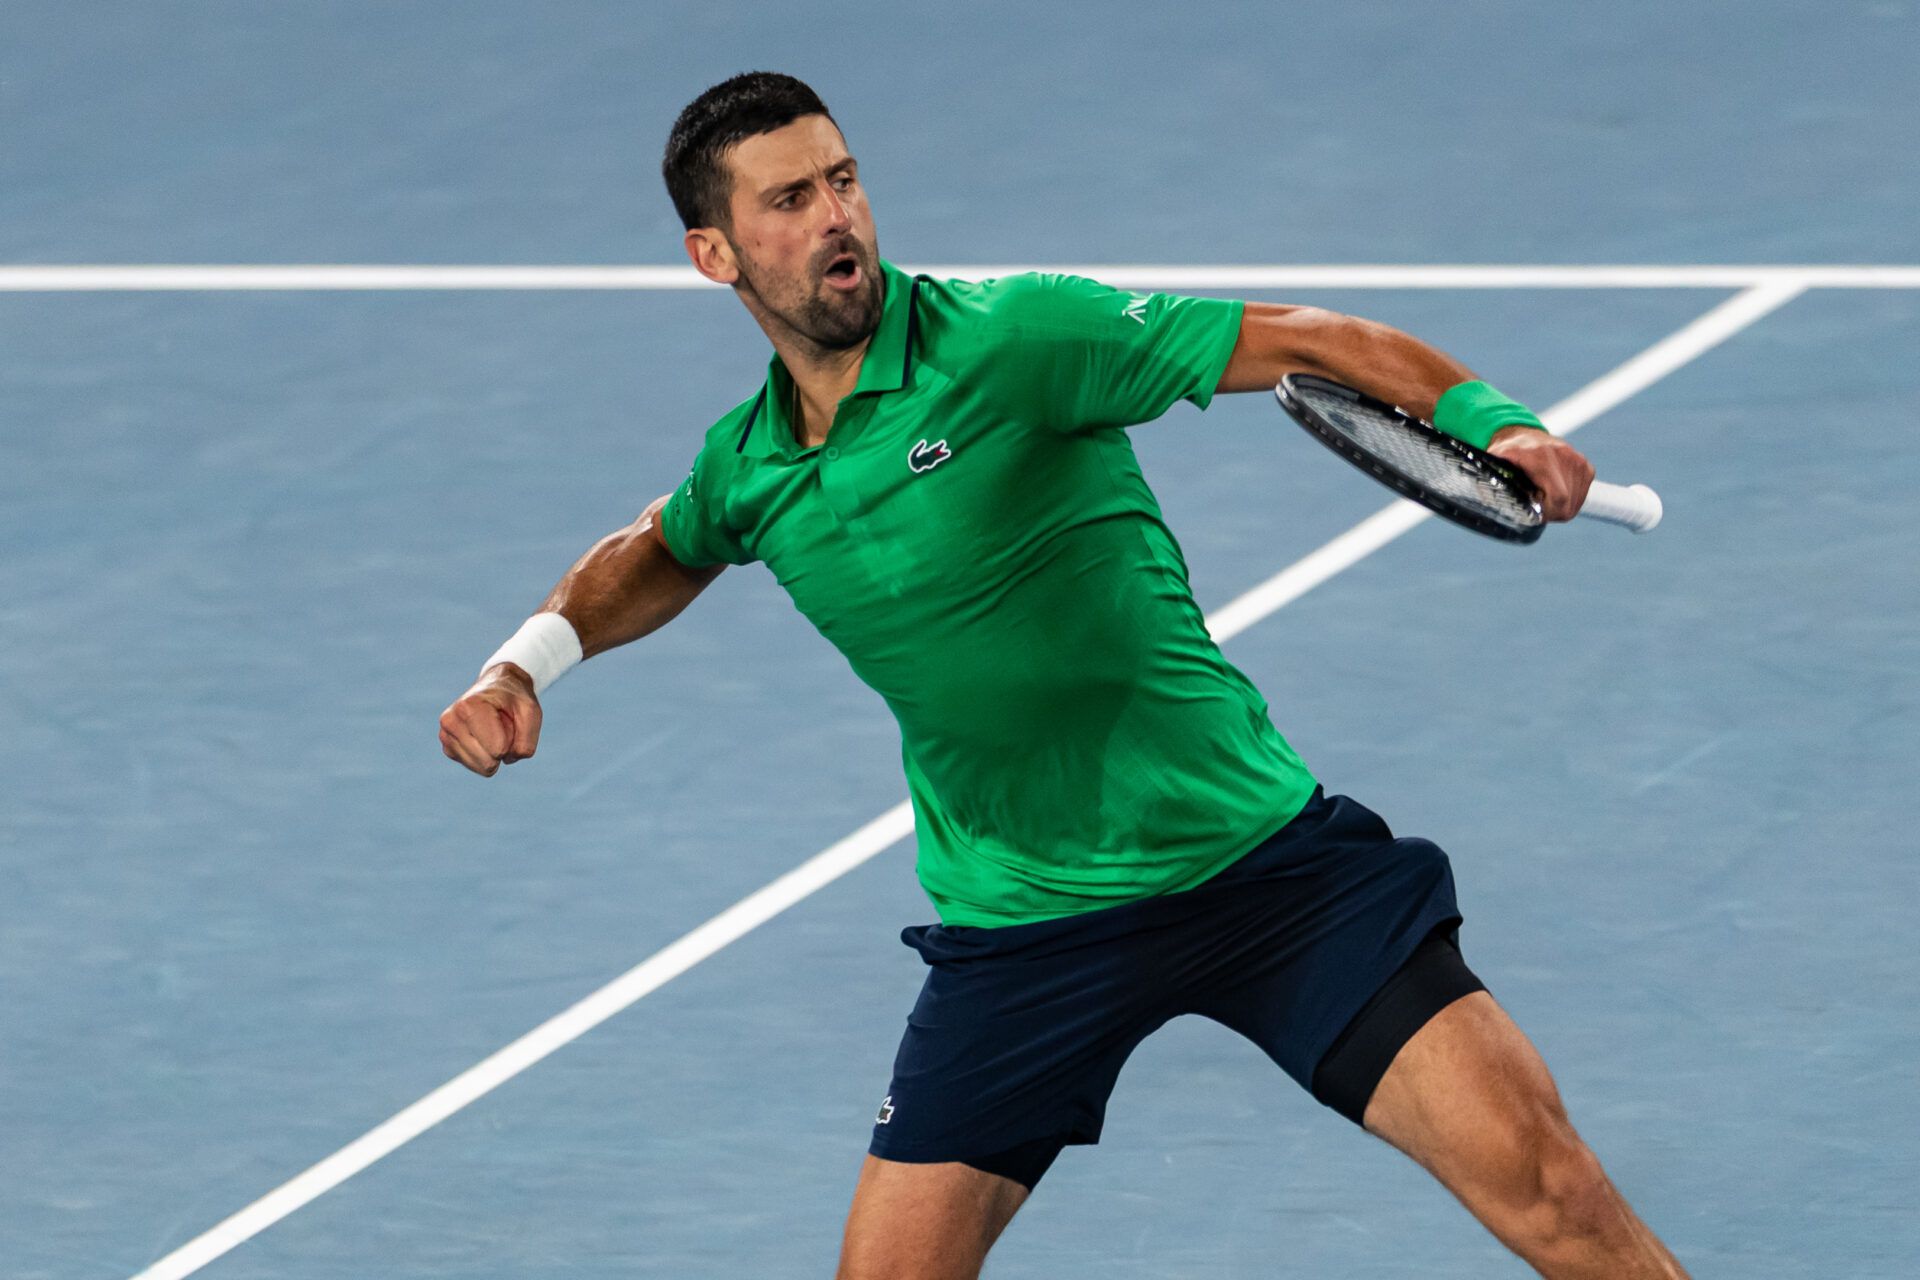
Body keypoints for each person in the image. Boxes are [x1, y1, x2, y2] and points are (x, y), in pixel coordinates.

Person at [438, 72, 1688, 1280]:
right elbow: (658, 549)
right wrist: (524, 662)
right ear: (715, 255)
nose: (837, 218)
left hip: (1261, 868)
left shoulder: (1018, 336)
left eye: (845, 179)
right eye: (789, 200)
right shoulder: (753, 466)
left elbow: (1309, 340)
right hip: (1023, 926)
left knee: (1556, 1192)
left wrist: (1495, 420)